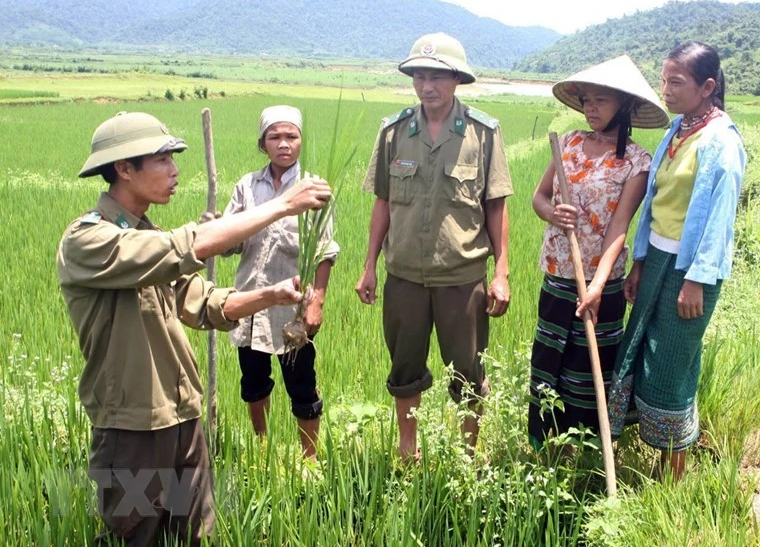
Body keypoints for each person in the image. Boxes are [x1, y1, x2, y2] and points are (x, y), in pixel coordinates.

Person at [57, 111, 332, 545]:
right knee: (137, 534)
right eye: (162, 160)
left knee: (192, 534)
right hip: (133, 429)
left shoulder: (146, 235)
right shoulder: (90, 240)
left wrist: (270, 295)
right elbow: (187, 246)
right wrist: (283, 204)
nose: (174, 171)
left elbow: (203, 303)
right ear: (124, 169)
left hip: (183, 419)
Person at [355, 32, 512, 461]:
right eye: (420, 76)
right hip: (403, 274)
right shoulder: (393, 132)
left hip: (462, 277)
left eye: (438, 76)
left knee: (467, 369)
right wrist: (368, 265)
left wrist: (501, 273)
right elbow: (382, 203)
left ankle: (465, 455)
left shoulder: (483, 133)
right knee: (405, 367)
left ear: (457, 79)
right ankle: (409, 451)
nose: (428, 86)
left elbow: (496, 206)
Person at [607, 41, 746, 481]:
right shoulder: (676, 130)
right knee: (640, 350)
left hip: (690, 273)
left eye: (676, 82)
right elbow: (655, 204)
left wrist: (697, 281)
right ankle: (658, 463)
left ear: (707, 87)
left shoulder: (721, 142)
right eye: (663, 79)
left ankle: (674, 477)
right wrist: (641, 262)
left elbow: (720, 221)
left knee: (672, 365)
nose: (665, 89)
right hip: (659, 262)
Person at [528, 55, 669, 452]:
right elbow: (538, 198)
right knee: (548, 362)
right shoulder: (568, 143)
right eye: (587, 100)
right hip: (558, 273)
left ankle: (585, 453)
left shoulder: (637, 162)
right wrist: (553, 212)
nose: (591, 108)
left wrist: (597, 286)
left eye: (601, 101)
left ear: (624, 106)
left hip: (600, 283)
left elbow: (619, 229)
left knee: (587, 372)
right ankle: (546, 450)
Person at [219, 105, 338, 460]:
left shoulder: (313, 189)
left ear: (301, 141)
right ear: (262, 143)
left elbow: (325, 251)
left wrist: (316, 301)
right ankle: (261, 448)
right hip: (250, 302)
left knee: (301, 382)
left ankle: (310, 458)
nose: (283, 144)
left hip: (292, 308)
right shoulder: (247, 187)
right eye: (275, 137)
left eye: (291, 136)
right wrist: (214, 229)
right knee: (253, 381)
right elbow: (231, 239)